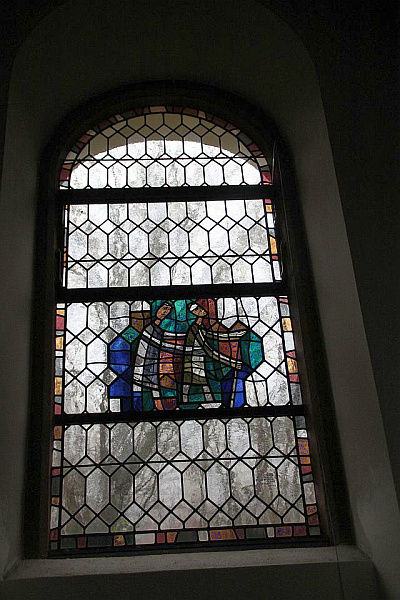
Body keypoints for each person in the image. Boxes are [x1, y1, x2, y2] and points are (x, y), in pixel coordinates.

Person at [181, 299, 263, 408]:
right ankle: (185, 406)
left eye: (203, 308)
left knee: (200, 384)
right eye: (200, 309)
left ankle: (211, 405)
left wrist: (234, 335)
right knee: (189, 385)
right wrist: (231, 363)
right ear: (195, 312)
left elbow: (213, 336)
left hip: (199, 360)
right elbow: (209, 351)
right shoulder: (194, 329)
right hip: (192, 361)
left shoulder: (199, 327)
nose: (203, 311)